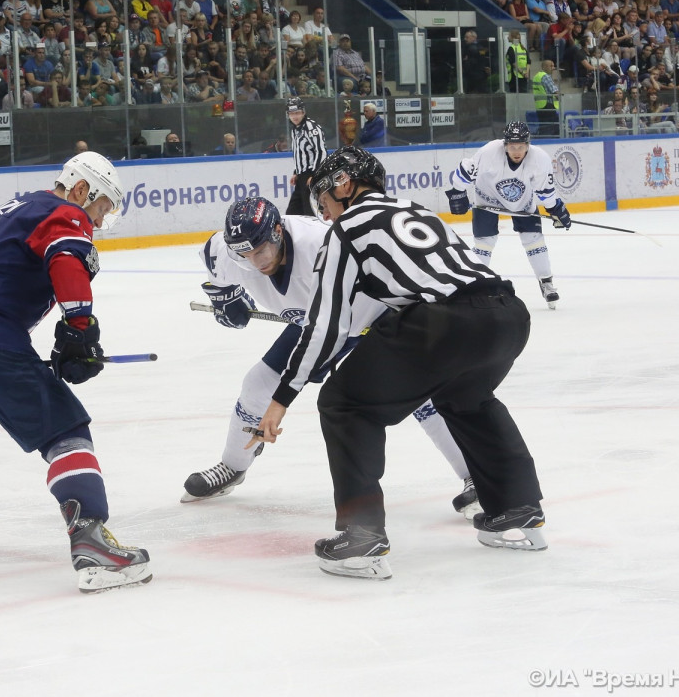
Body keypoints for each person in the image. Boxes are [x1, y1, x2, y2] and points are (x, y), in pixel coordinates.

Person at [255, 147, 546, 579]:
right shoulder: (416, 211)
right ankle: (518, 507)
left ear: (344, 184)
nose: (323, 211)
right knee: (467, 397)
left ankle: (362, 535)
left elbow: (326, 326)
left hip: (445, 324)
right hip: (506, 313)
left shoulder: (347, 229)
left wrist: (282, 397)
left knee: (344, 402)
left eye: (324, 197)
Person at [0, 152, 152, 594]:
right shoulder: (64, 212)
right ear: (81, 190)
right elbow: (66, 258)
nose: (96, 220)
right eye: (101, 208)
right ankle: (92, 541)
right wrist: (80, 329)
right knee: (65, 427)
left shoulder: (23, 208)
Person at [185, 196, 481, 518]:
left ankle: (475, 477)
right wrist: (226, 298)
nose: (256, 263)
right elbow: (213, 263)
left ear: (278, 233)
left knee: (422, 396)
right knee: (257, 387)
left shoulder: (321, 243)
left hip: (375, 315)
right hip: (318, 324)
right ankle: (233, 466)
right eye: (245, 255)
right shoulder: (230, 253)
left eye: (260, 252)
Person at [445, 121, 571, 309]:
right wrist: (458, 192)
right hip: (487, 200)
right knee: (484, 243)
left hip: (522, 202)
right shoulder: (489, 152)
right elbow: (465, 170)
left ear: (528, 145)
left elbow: (545, 190)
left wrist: (555, 208)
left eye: (521, 146)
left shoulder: (540, 159)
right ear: (505, 145)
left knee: (534, 240)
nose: (517, 151)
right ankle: (476, 286)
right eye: (512, 146)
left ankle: (546, 283)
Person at [285, 96, 325, 216]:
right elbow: (300, 153)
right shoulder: (294, 130)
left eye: (297, 113)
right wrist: (296, 172)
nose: (295, 116)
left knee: (311, 213)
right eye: (291, 113)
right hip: (301, 177)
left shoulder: (312, 128)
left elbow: (321, 151)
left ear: (303, 112)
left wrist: (315, 175)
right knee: (292, 214)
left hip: (311, 175)